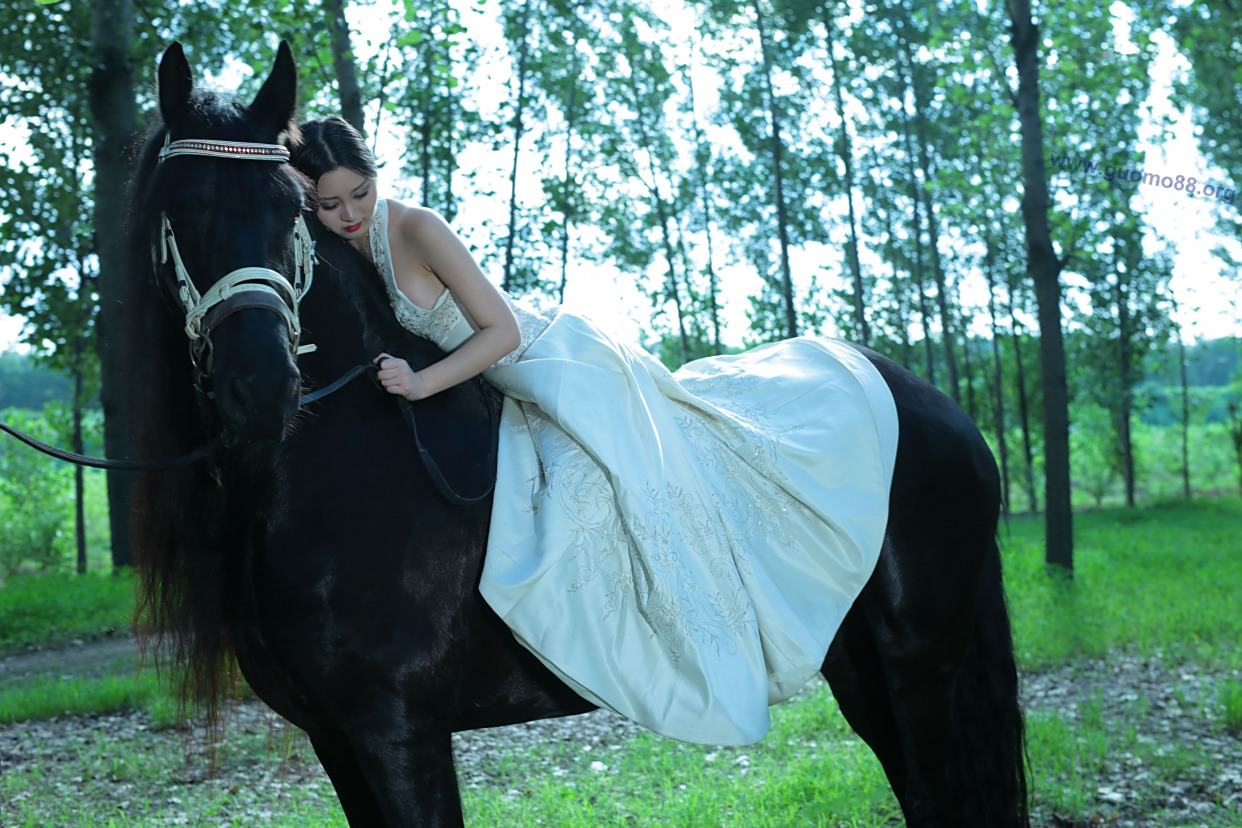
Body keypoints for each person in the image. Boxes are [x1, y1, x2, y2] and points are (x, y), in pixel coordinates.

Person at [289, 116, 900, 746]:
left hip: (544, 359)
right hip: (490, 382)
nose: (351, 214)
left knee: (627, 482)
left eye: (360, 192)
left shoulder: (414, 227)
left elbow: (501, 331)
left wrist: (420, 383)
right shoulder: (321, 245)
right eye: (330, 204)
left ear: (376, 176)